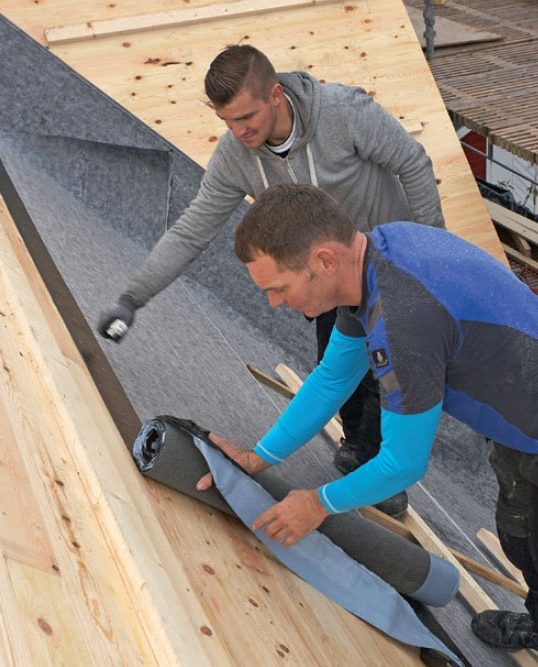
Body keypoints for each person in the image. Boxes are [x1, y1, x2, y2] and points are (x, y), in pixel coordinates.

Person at [197, 183, 538, 666]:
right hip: (525, 428)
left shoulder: (404, 318)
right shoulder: (371, 263)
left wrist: (316, 504)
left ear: (325, 260)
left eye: (278, 288)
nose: (274, 303)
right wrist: (258, 457)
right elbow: (332, 379)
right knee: (526, 541)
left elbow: (403, 464)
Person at [97, 45, 445, 517]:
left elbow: (413, 163)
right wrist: (132, 297)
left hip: (389, 260)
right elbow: (193, 230)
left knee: (387, 370)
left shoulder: (343, 113)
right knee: (337, 362)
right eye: (227, 122)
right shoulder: (236, 156)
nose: (239, 132)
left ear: (276, 95)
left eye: (247, 117)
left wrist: (428, 255)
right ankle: (358, 446)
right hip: (321, 278)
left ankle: (377, 468)